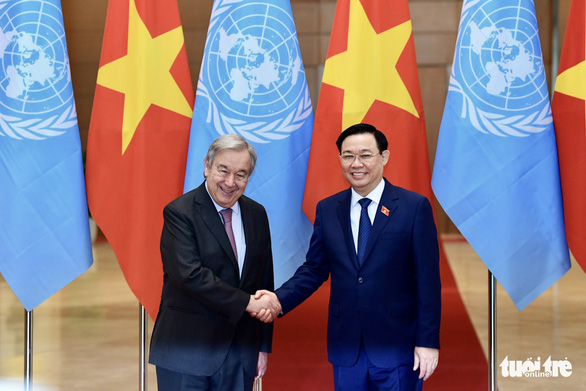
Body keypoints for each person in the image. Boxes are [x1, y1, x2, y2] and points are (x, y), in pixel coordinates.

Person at [255, 123, 441, 390]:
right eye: (348, 155)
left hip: (397, 346)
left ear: (384, 157)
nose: (357, 164)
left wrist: (428, 341)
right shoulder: (329, 209)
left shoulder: (414, 207)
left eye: (365, 155)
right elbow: (314, 269)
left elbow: (428, 282)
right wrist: (277, 299)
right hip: (347, 348)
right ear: (340, 158)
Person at [149, 134, 281, 391]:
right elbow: (189, 275)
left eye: (241, 174)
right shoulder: (180, 212)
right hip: (186, 353)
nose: (230, 182)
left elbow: (265, 280)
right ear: (207, 166)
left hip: (239, 353)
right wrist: (249, 303)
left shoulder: (257, 214)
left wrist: (262, 346)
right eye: (223, 170)